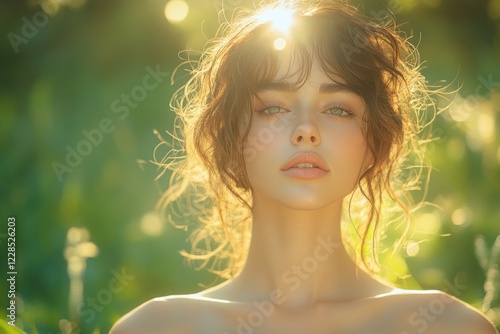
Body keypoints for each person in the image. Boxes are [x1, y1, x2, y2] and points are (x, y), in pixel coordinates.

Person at [111, 0, 497, 332]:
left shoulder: (447, 327)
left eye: (338, 109)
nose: (306, 131)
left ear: (373, 146)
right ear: (230, 141)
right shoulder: (156, 329)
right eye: (273, 107)